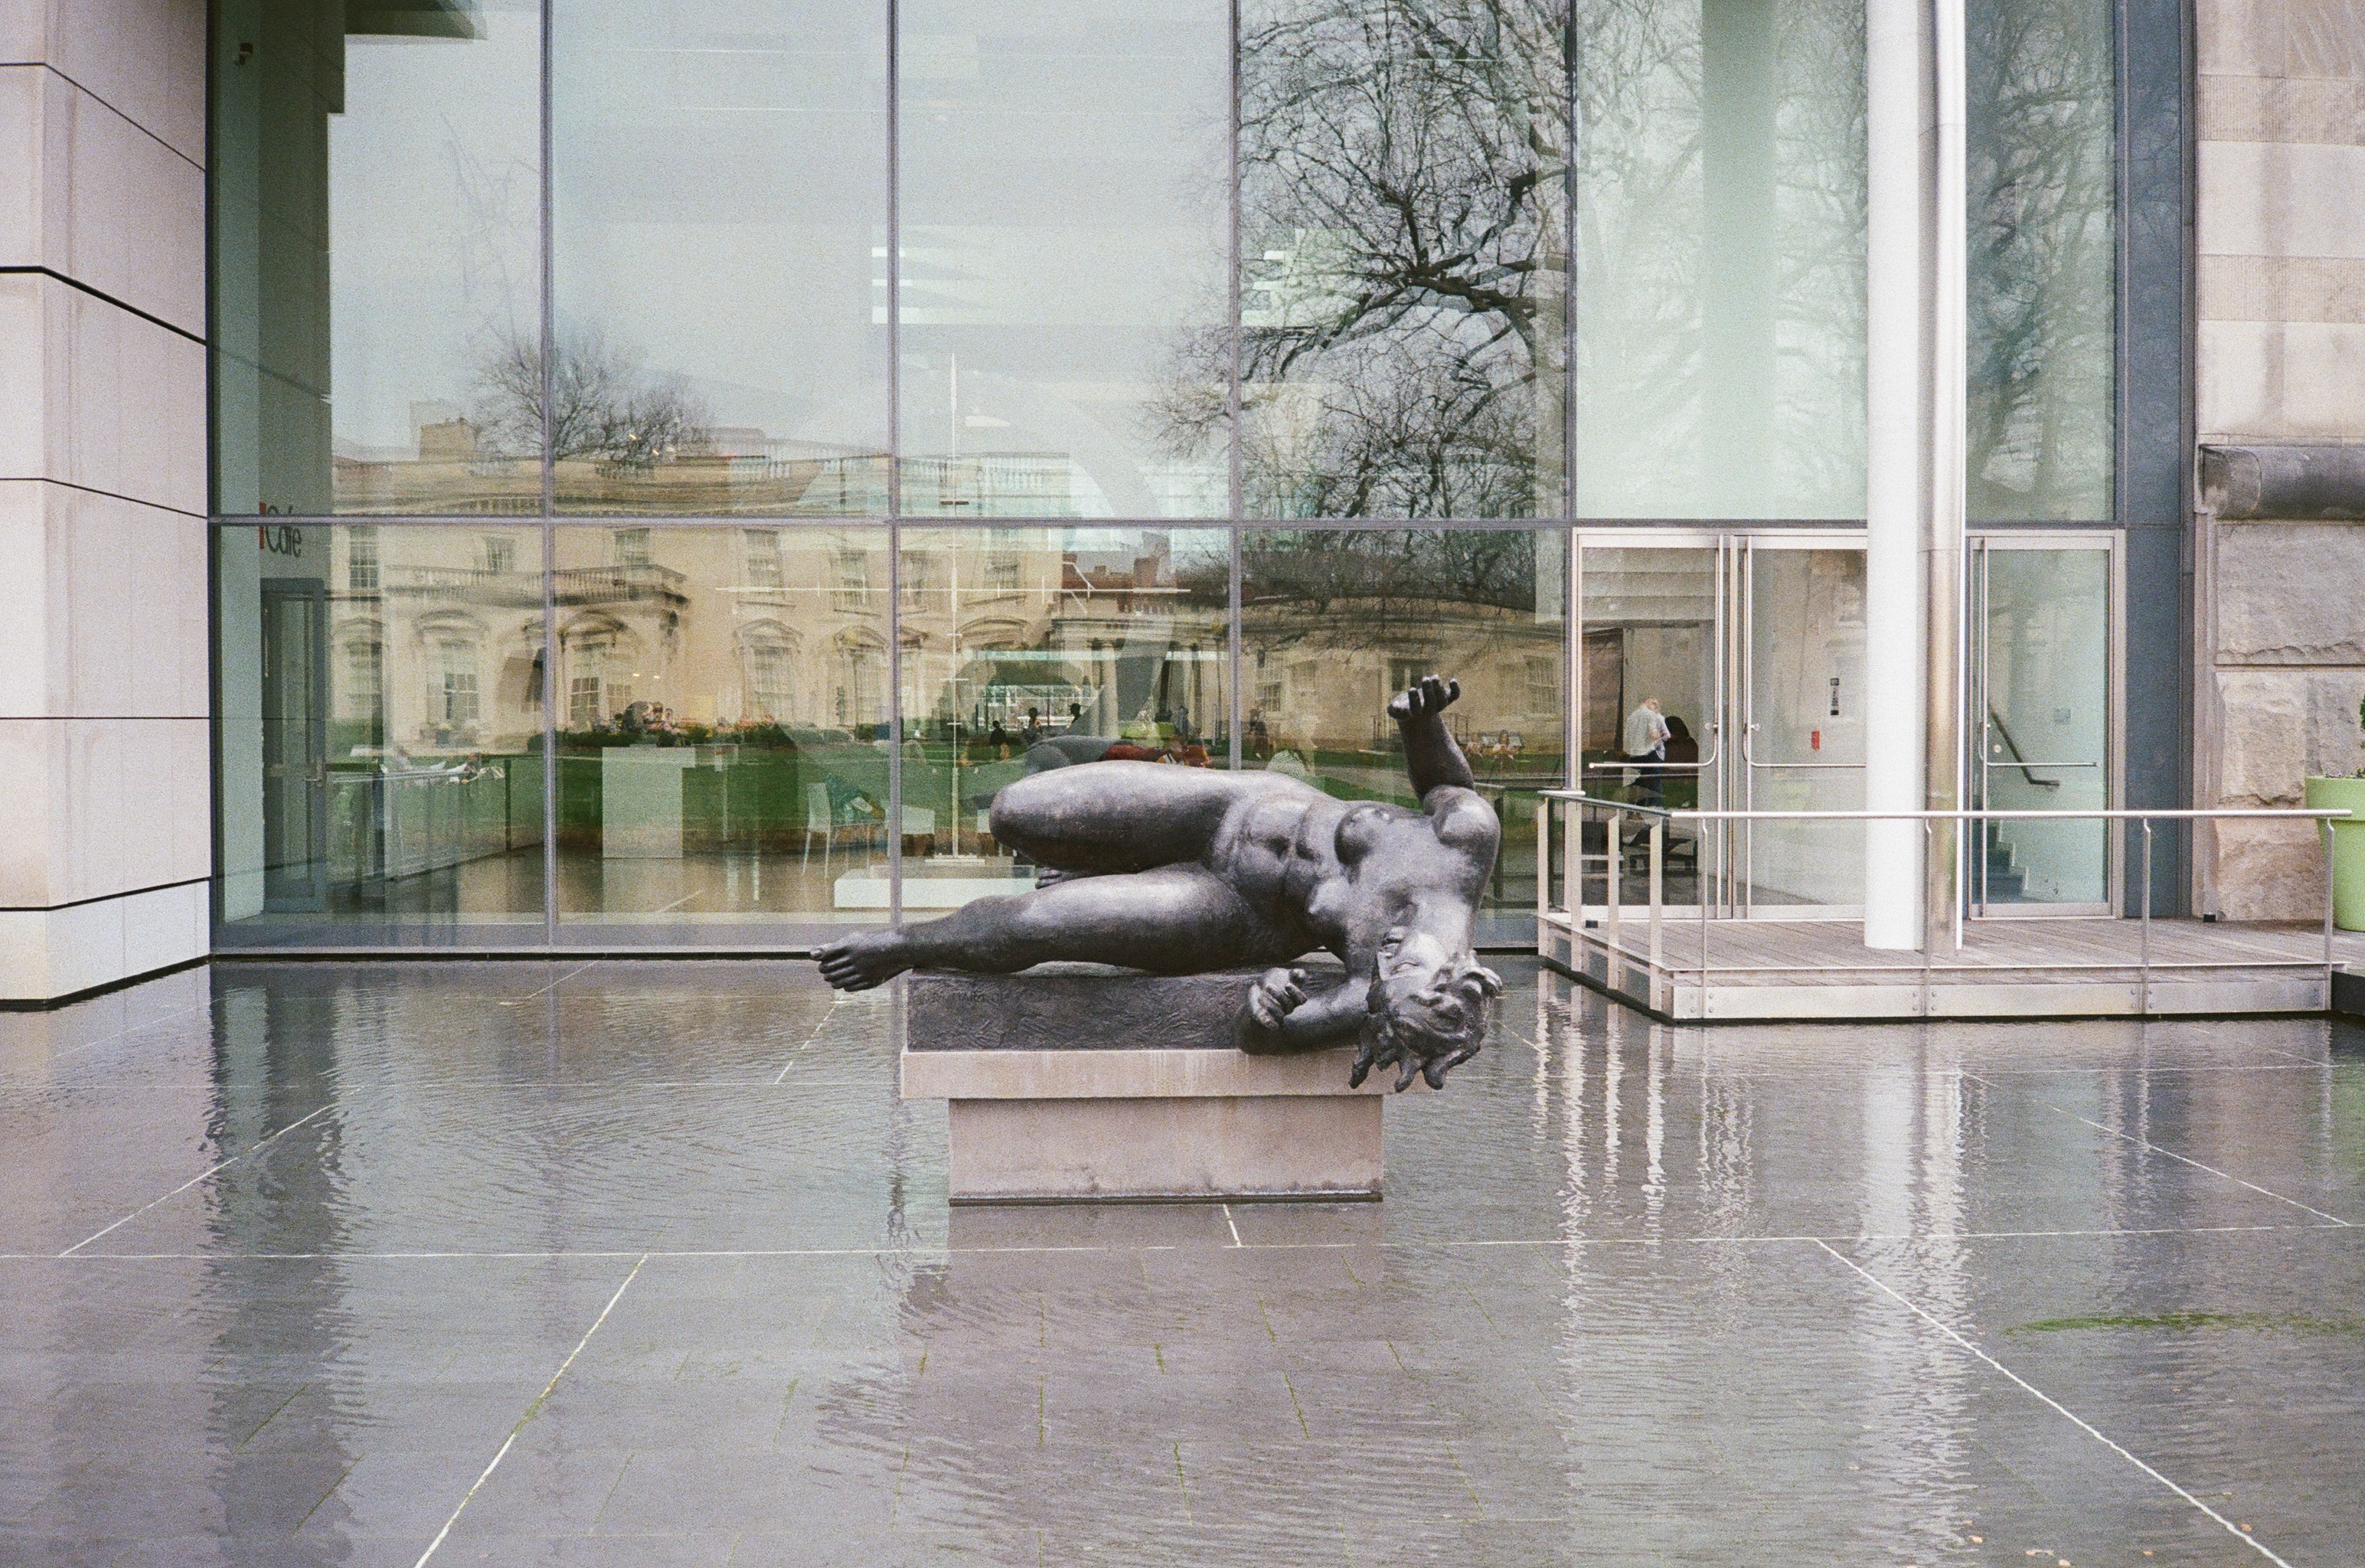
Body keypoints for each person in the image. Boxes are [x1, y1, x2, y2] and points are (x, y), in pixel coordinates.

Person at [816, 676, 1503, 1089]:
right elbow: (1442, 784)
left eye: (1383, 981)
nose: (1384, 959)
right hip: (1234, 807)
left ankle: (903, 945)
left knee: (1041, 925)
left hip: (1233, 911)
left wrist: (1265, 1005)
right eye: (1401, 964)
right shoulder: (1464, 839)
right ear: (1452, 970)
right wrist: (1423, 727)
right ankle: (1111, 866)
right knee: (1015, 812)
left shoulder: (1375, 996)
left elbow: (1266, 1039)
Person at [1622, 697, 1671, 808]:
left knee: (1645, 778)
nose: (1655, 707)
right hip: (1649, 752)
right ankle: (1655, 804)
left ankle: (1639, 804)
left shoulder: (1632, 716)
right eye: (1653, 704)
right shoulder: (1651, 715)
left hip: (1635, 753)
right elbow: (1654, 735)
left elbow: (1627, 736)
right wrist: (1659, 737)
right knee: (1653, 778)